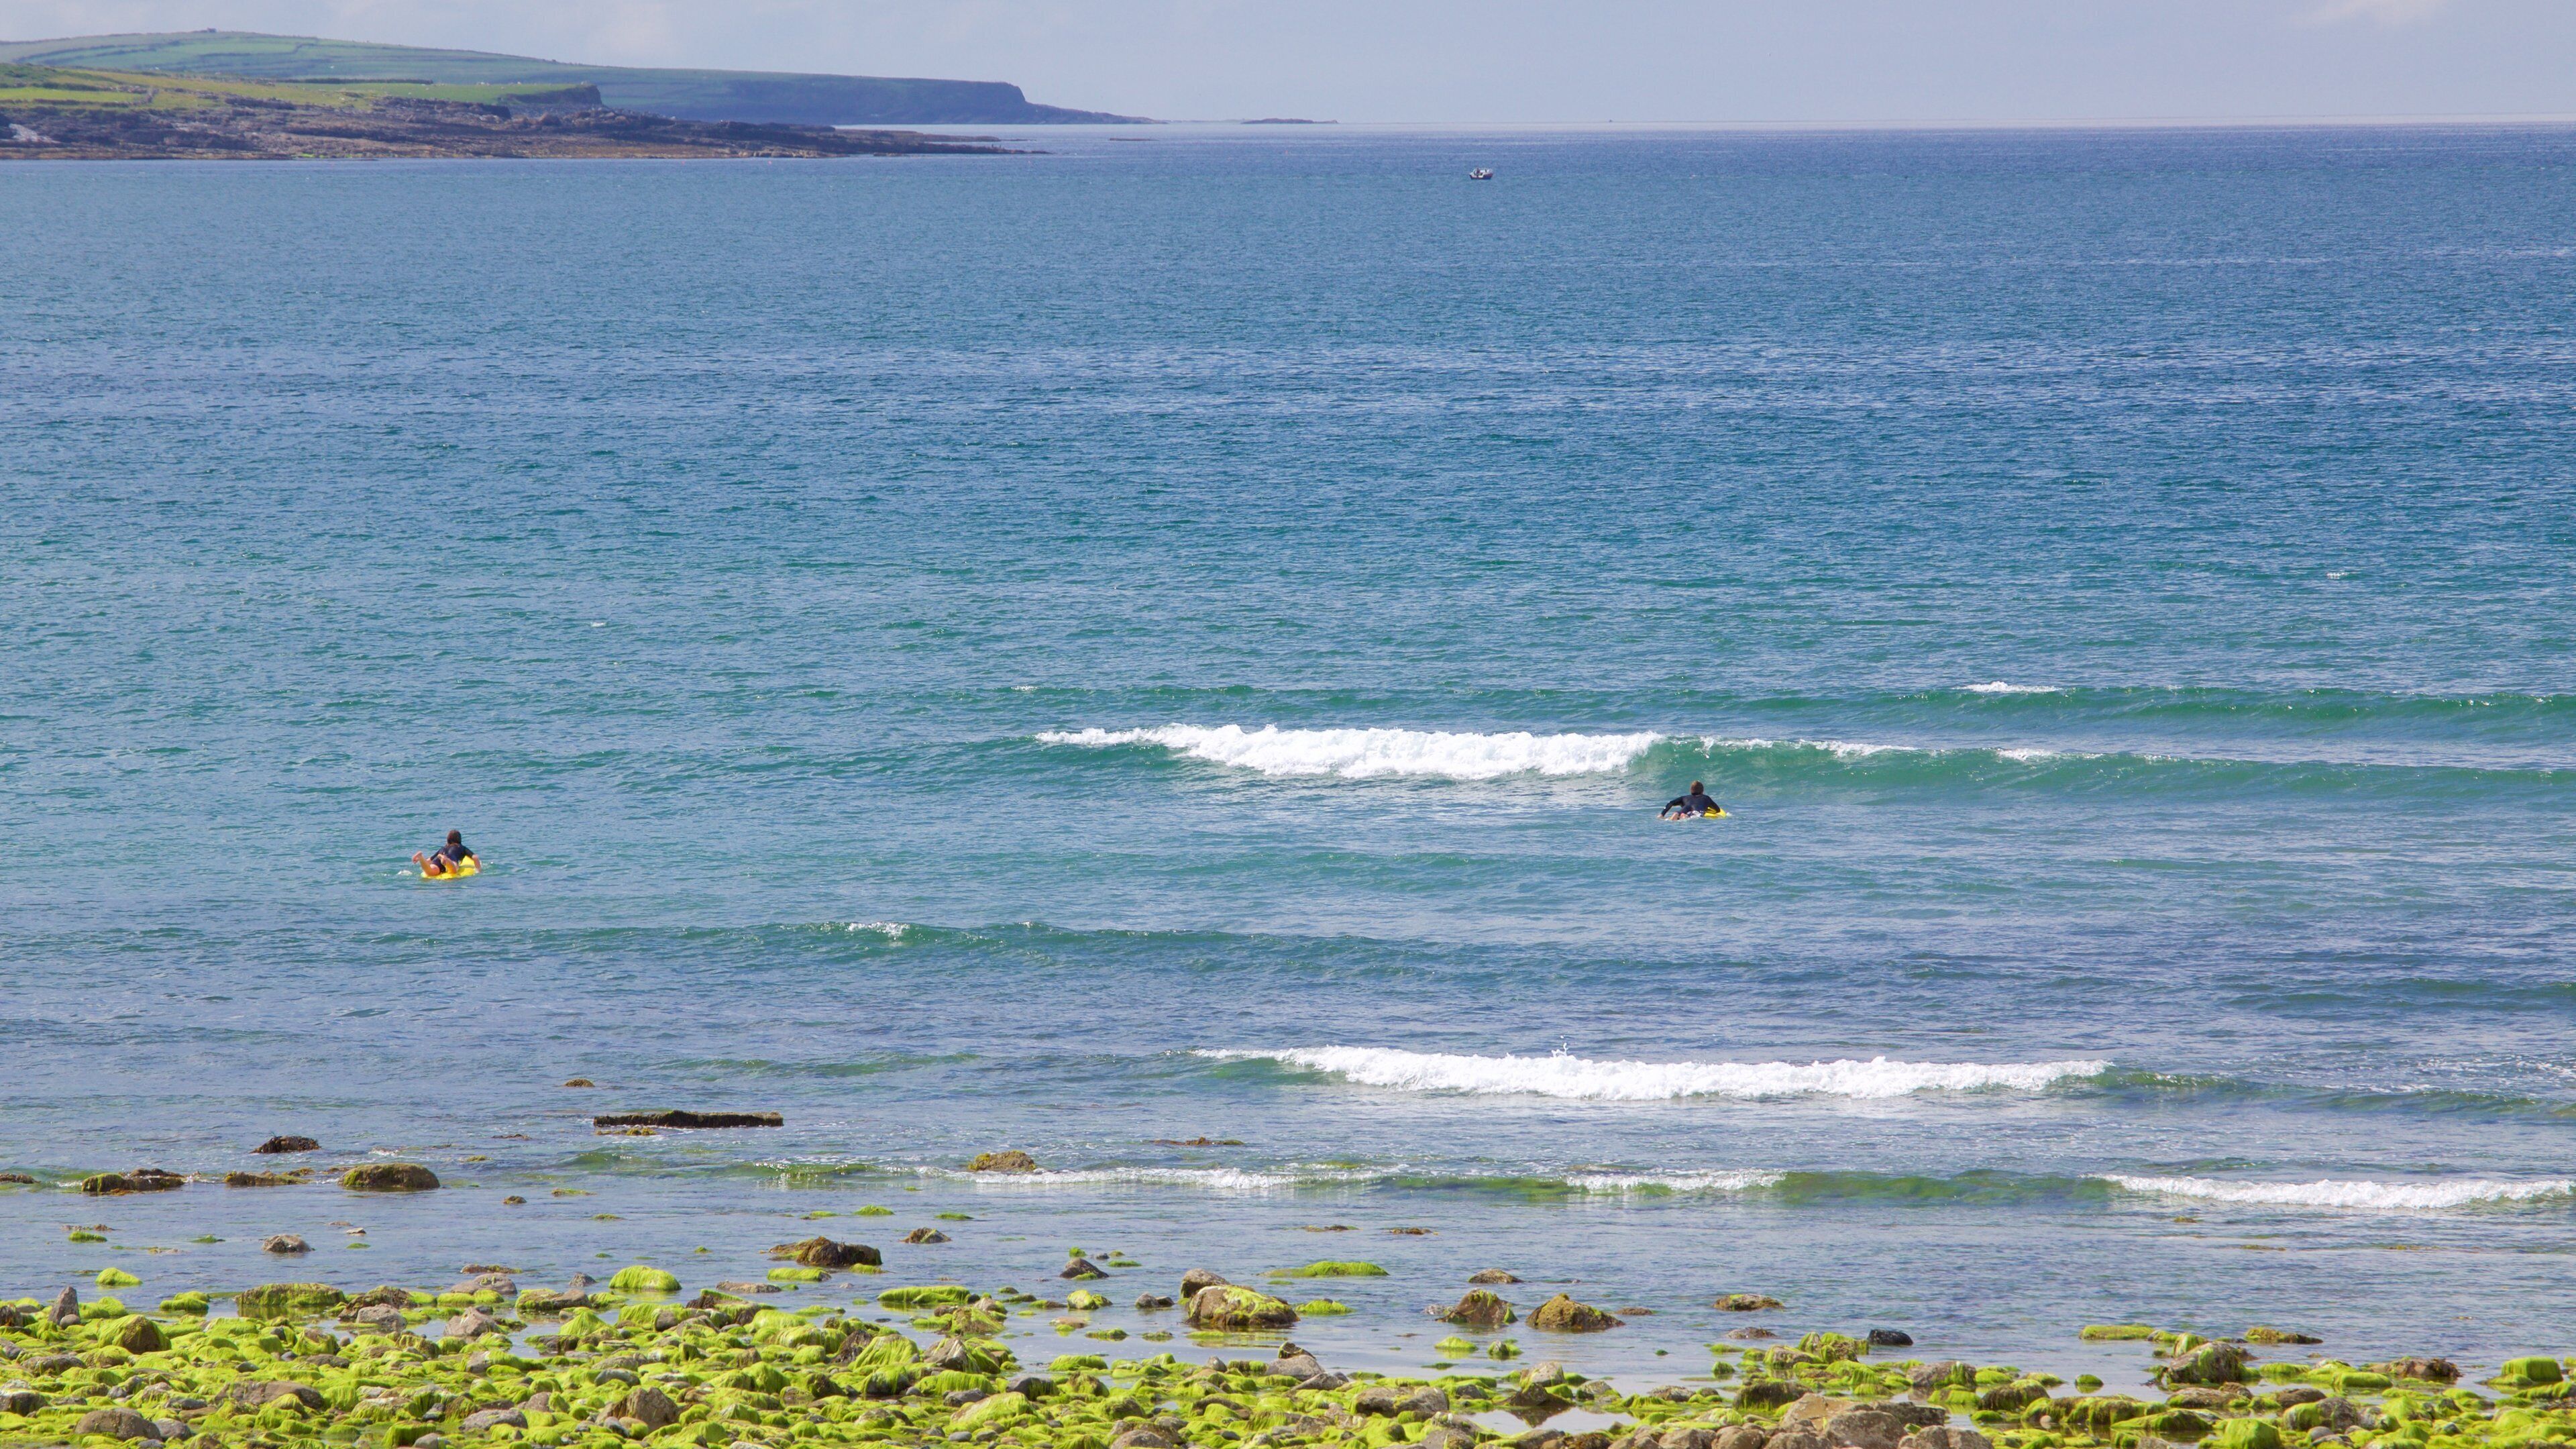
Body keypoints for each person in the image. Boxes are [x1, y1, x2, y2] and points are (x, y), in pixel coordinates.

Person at [413, 830, 477, 876]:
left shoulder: (443, 848)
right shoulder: (461, 847)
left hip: (439, 857)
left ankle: (421, 858)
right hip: (451, 858)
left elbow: (429, 861)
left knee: (430, 872)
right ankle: (446, 860)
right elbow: (475, 857)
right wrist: (478, 870)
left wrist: (423, 861)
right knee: (453, 870)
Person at [1661, 782, 1725, 818]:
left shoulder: (1684, 798)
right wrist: (1706, 810)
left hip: (1685, 808)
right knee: (1694, 815)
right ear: (1702, 791)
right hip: (1697, 809)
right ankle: (1686, 816)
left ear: (1691, 790)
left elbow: (1671, 803)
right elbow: (1717, 810)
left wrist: (1662, 814)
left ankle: (1677, 813)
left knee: (1681, 813)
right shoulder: (1706, 798)